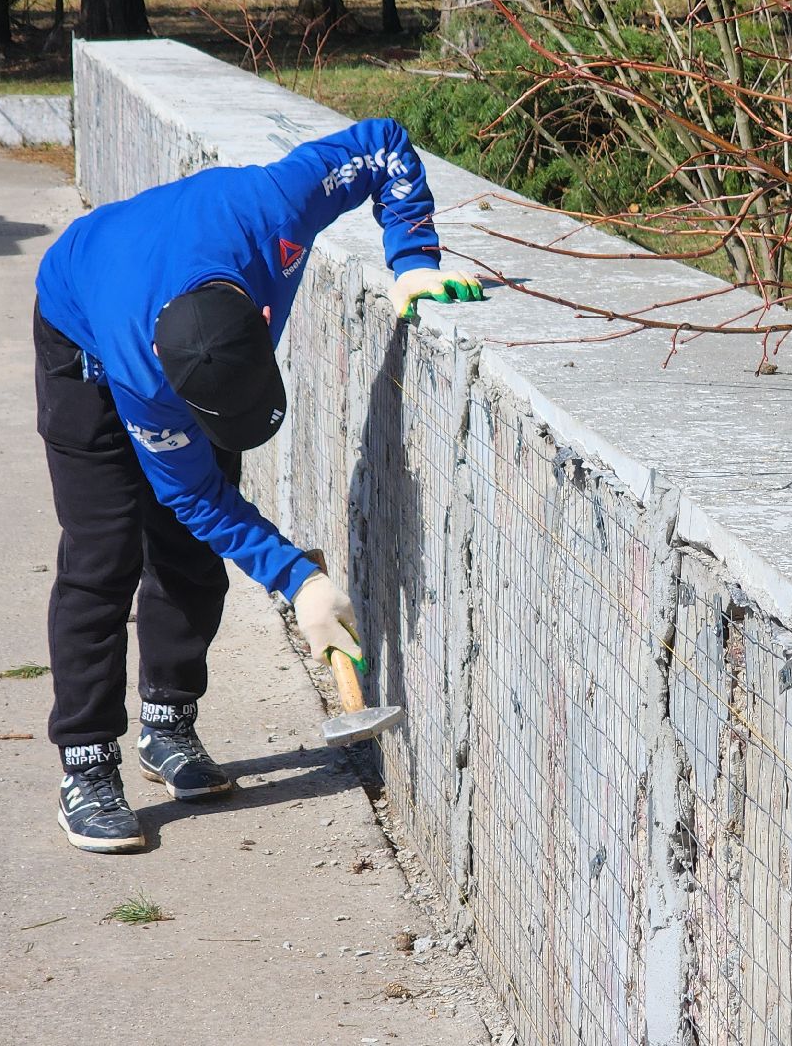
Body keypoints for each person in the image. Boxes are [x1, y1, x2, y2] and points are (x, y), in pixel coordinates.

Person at [31, 119, 484, 853]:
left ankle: (168, 721)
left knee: (188, 556)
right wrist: (300, 579)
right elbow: (193, 493)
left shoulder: (277, 206)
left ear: (264, 315)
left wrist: (414, 257)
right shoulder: (142, 374)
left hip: (171, 277)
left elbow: (384, 144)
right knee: (103, 553)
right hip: (79, 322)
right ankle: (86, 763)